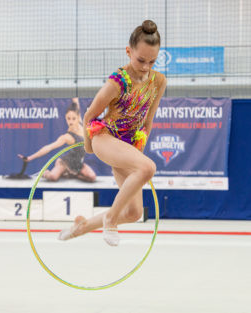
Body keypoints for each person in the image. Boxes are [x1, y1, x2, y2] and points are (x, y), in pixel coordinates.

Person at [58, 20, 167, 246]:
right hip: (105, 138)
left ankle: (82, 227)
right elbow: (88, 116)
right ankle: (110, 218)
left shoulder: (159, 81)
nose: (146, 66)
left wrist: (136, 154)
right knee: (148, 168)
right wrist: (89, 147)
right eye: (140, 60)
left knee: (133, 213)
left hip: (127, 146)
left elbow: (148, 120)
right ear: (129, 52)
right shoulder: (117, 82)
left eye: (152, 61)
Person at [18, 98, 96, 182]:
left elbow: (77, 107)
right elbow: (49, 147)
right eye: (68, 118)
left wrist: (75, 100)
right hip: (65, 163)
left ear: (78, 117)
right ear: (65, 118)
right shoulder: (67, 137)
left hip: (78, 164)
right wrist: (30, 158)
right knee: (53, 177)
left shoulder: (81, 124)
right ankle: (46, 173)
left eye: (73, 118)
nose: (71, 122)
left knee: (92, 177)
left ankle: (72, 174)